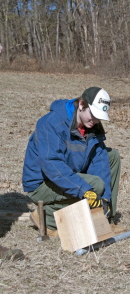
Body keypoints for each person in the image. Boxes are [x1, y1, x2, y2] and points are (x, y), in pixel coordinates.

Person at [22, 86, 121, 236]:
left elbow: (99, 162)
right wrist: (84, 189)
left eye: (99, 117)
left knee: (111, 156)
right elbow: (52, 165)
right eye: (93, 114)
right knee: (95, 185)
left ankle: (104, 217)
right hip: (43, 183)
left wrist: (104, 198)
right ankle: (46, 216)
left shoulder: (93, 126)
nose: (95, 120)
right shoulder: (51, 123)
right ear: (81, 104)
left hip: (69, 173)